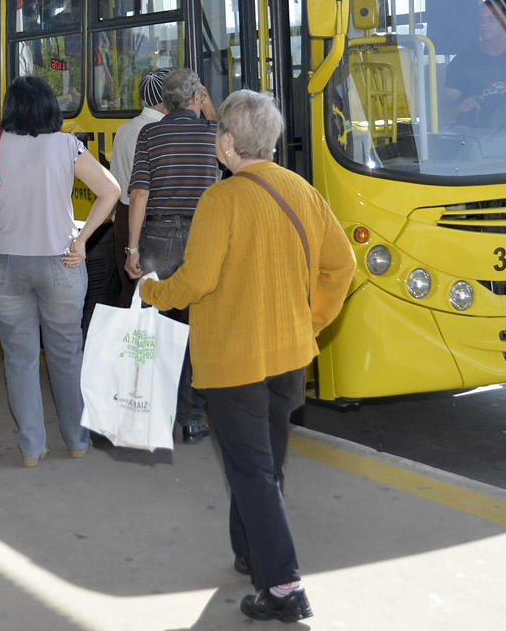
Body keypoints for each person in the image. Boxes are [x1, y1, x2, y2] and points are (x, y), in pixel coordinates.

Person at [139, 90, 355, 623]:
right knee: (265, 466)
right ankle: (250, 551)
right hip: (289, 358)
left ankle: (283, 587)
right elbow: (342, 264)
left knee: (252, 471)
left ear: (229, 142)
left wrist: (151, 293)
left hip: (236, 363)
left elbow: (196, 280)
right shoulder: (302, 191)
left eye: (217, 134)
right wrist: (313, 322)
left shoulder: (223, 200)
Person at [0, 76, 120, 467]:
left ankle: (31, 448)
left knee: (20, 357)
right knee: (66, 355)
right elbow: (110, 190)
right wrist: (81, 241)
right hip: (59, 263)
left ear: (10, 107)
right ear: (50, 107)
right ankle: (77, 441)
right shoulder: (66, 145)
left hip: (3, 266)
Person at [123, 66, 218, 442]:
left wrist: (133, 248)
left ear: (164, 100)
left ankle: (142, 412)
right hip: (203, 235)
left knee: (150, 324)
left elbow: (140, 194)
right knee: (199, 324)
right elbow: (220, 129)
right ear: (196, 98)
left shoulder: (151, 133)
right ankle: (193, 418)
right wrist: (206, 102)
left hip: (158, 235)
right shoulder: (213, 134)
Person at [109, 69, 167, 306]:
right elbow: (145, 191)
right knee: (152, 295)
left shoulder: (124, 129)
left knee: (129, 291)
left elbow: (114, 179)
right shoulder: (160, 131)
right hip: (147, 220)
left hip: (123, 217)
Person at [441, 0, 506, 126]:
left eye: (491, 19)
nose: (484, 24)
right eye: (481, 19)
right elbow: (445, 106)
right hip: (480, 138)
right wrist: (459, 107)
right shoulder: (462, 61)